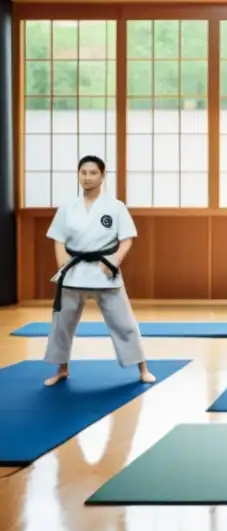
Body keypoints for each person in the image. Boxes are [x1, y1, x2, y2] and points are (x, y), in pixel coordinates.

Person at [43, 155, 153, 387]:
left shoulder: (115, 207)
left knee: (124, 322)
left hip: (105, 271)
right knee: (62, 323)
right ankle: (62, 368)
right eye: (83, 172)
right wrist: (62, 262)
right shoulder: (67, 208)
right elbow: (58, 239)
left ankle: (143, 367)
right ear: (78, 175)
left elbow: (127, 240)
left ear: (102, 176)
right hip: (74, 271)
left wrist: (113, 261)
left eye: (93, 173)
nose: (87, 178)